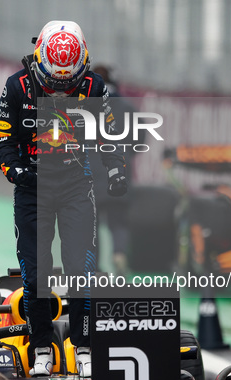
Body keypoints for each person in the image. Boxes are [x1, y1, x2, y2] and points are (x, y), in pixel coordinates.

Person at [0, 21, 127, 377]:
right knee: (35, 270)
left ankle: (84, 344)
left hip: (75, 186)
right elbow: (3, 139)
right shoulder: (16, 86)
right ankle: (41, 345)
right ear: (39, 63)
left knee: (80, 268)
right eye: (54, 83)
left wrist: (116, 169)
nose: (60, 89)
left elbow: (110, 135)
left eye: (67, 84)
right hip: (31, 187)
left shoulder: (95, 87)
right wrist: (16, 171)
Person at [89, 65, 139, 276]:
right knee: (119, 222)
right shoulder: (126, 107)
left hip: (90, 175)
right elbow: (140, 139)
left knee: (91, 226)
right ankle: (119, 254)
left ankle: (95, 270)